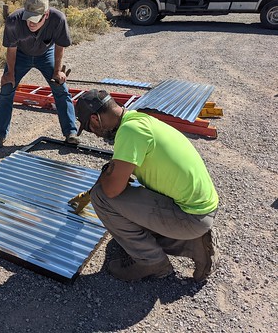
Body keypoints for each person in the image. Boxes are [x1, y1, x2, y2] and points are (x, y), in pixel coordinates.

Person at [69, 89, 219, 282]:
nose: (95, 135)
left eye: (90, 129)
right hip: (200, 209)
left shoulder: (130, 132)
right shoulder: (137, 119)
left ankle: (151, 262)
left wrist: (107, 178)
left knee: (102, 197)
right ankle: (196, 245)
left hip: (191, 217)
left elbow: (112, 189)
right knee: (122, 214)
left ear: (96, 119)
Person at [0, 0, 79, 149]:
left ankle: (70, 133)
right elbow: (11, 49)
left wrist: (57, 71)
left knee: (60, 87)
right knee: (6, 88)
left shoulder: (58, 20)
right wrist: (9, 74)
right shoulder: (14, 21)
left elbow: (60, 46)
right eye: (28, 17)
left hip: (46, 54)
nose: (30, 23)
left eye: (35, 18)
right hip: (20, 55)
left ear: (46, 15)